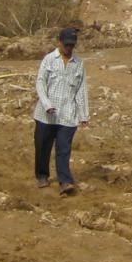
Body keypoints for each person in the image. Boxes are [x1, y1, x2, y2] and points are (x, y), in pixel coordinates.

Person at [34, 27, 89, 195]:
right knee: (43, 147)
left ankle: (65, 181)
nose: (69, 48)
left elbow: (81, 89)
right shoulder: (49, 60)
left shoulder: (78, 64)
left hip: (67, 115)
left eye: (72, 45)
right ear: (59, 42)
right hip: (46, 115)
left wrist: (84, 114)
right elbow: (40, 83)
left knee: (64, 149)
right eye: (66, 45)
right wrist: (46, 103)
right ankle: (42, 175)